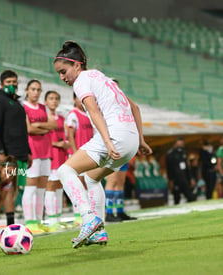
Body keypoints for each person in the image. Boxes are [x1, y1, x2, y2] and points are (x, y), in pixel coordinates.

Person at [53, 41, 152, 248]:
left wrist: (107, 142)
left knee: (64, 171)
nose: (62, 78)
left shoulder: (81, 81)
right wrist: (141, 140)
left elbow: (95, 111)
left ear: (77, 66)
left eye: (63, 72)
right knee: (91, 179)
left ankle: (88, 218)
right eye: (59, 74)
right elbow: (134, 107)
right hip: (130, 141)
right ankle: (98, 232)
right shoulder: (100, 77)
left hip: (114, 137)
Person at [0, 70, 31, 226]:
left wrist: (28, 152)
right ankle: (4, 222)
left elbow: (23, 131)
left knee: (16, 187)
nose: (12, 85)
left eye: (14, 82)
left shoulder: (17, 104)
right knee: (7, 187)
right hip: (7, 154)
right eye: (8, 82)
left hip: (21, 154)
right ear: (1, 84)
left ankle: (11, 221)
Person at [23, 80, 57, 233]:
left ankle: (38, 220)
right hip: (33, 151)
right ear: (27, 90)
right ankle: (29, 222)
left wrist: (38, 126)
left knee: (42, 188)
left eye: (38, 89)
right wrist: (42, 128)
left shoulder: (43, 107)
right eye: (33, 89)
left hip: (46, 150)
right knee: (30, 186)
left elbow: (54, 125)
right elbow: (28, 129)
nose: (36, 92)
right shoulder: (23, 107)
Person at [65, 92, 94, 225]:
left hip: (88, 154)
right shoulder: (73, 114)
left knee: (88, 182)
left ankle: (88, 212)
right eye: (78, 97)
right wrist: (76, 153)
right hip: (77, 154)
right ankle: (79, 214)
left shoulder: (89, 113)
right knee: (79, 183)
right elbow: (70, 135)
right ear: (74, 99)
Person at [43, 90, 70, 230]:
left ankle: (58, 217)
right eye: (51, 98)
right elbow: (43, 137)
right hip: (51, 155)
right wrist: (56, 144)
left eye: (56, 98)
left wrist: (65, 144)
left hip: (62, 155)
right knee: (51, 186)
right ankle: (51, 218)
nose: (54, 101)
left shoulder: (61, 118)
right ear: (46, 102)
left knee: (60, 186)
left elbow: (64, 136)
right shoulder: (44, 118)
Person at [166, 137, 196, 205]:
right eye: (178, 144)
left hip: (184, 178)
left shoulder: (184, 153)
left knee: (189, 195)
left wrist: (191, 178)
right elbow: (169, 168)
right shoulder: (171, 154)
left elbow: (187, 167)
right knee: (177, 198)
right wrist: (170, 180)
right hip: (176, 178)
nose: (180, 145)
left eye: (181, 144)